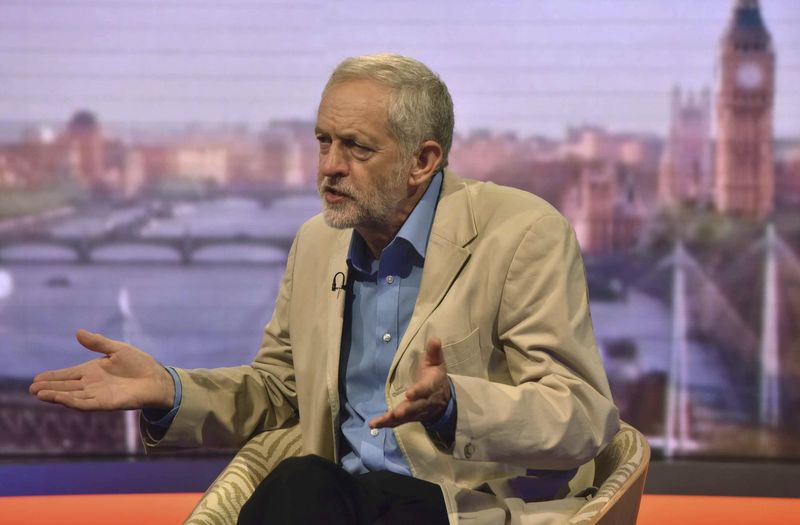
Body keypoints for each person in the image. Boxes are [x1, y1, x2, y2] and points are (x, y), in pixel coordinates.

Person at [30, 54, 619, 524]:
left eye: (356, 147)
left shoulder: (522, 234)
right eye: (322, 142)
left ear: (423, 160)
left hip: (454, 504)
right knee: (304, 485)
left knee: (299, 488)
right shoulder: (317, 243)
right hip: (334, 498)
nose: (329, 166)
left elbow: (583, 417)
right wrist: (170, 390)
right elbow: (278, 390)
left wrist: (454, 404)